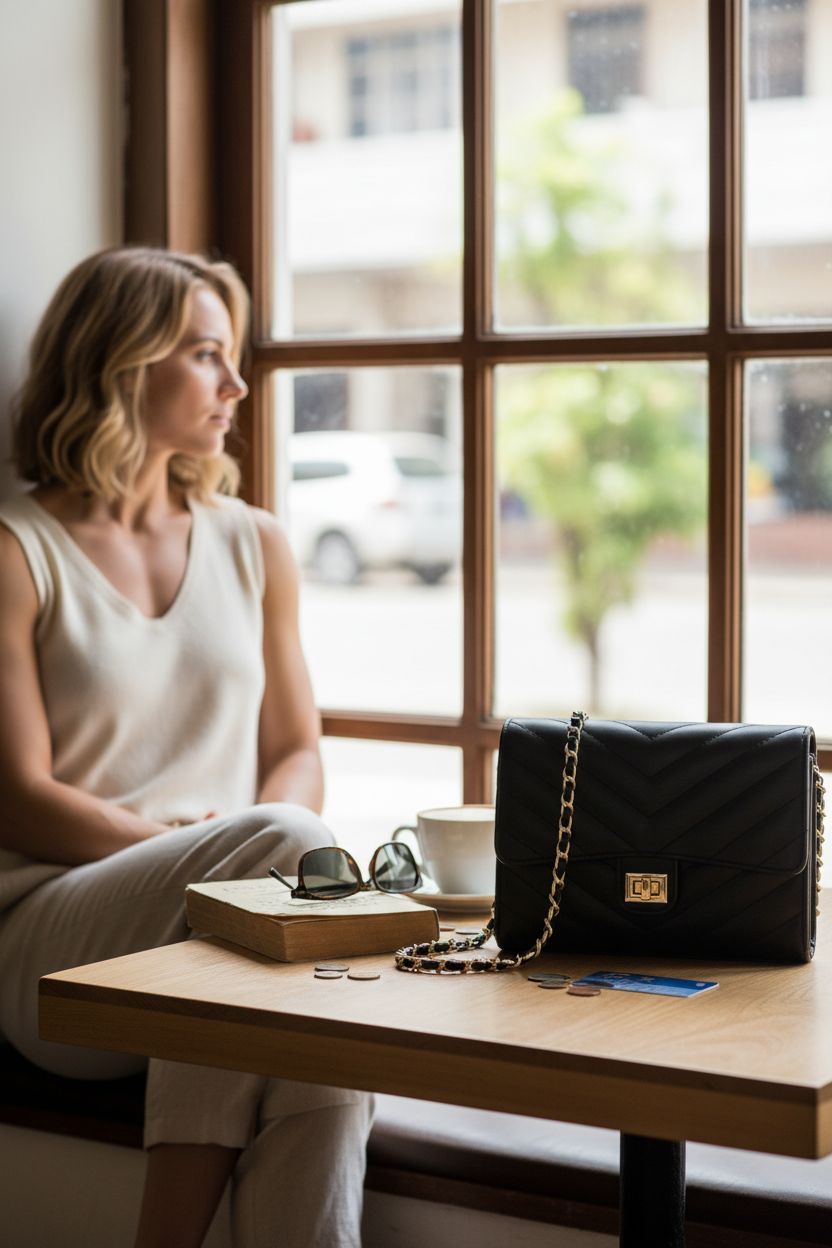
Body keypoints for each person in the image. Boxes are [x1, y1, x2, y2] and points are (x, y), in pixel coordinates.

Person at [0, 246, 373, 1248]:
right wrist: (195, 848)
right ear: (123, 361)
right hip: (49, 945)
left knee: (310, 990)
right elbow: (18, 798)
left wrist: (238, 862)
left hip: (221, 924)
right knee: (282, 871)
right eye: (205, 354)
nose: (236, 383)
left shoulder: (255, 543)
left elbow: (297, 749)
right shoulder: (14, 547)